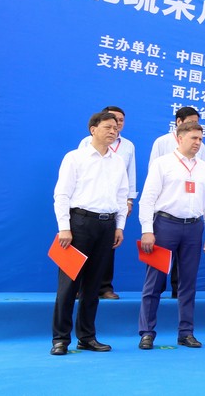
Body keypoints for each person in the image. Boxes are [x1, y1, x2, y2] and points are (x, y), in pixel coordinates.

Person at [51, 112, 128, 356]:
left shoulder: (118, 161)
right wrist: (64, 227)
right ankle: (61, 339)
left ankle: (86, 337)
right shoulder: (75, 157)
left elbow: (121, 196)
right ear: (93, 129)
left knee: (93, 286)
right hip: (79, 224)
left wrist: (119, 226)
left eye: (116, 128)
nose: (113, 131)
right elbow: (62, 194)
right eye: (107, 127)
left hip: (107, 226)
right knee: (68, 285)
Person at [137, 122, 205, 349]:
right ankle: (147, 332)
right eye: (193, 138)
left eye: (200, 139)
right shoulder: (162, 163)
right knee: (154, 282)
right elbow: (148, 198)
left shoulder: (204, 168)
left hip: (193, 228)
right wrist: (147, 230)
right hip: (165, 226)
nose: (198, 143)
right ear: (179, 138)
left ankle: (186, 332)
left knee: (188, 283)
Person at [77, 106, 136, 300]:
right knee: (81, 250)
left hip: (112, 204)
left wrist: (129, 199)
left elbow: (130, 174)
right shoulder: (86, 143)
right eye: (112, 121)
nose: (117, 125)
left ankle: (104, 287)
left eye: (120, 121)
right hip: (88, 205)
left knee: (108, 248)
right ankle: (78, 286)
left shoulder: (128, 146)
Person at [148, 106, 205, 298]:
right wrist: (148, 227)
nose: (197, 142)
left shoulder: (201, 151)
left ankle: (178, 297)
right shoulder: (162, 143)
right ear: (179, 123)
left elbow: (203, 184)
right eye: (191, 123)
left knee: (186, 278)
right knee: (155, 276)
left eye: (197, 124)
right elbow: (152, 185)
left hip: (191, 218)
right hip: (166, 218)